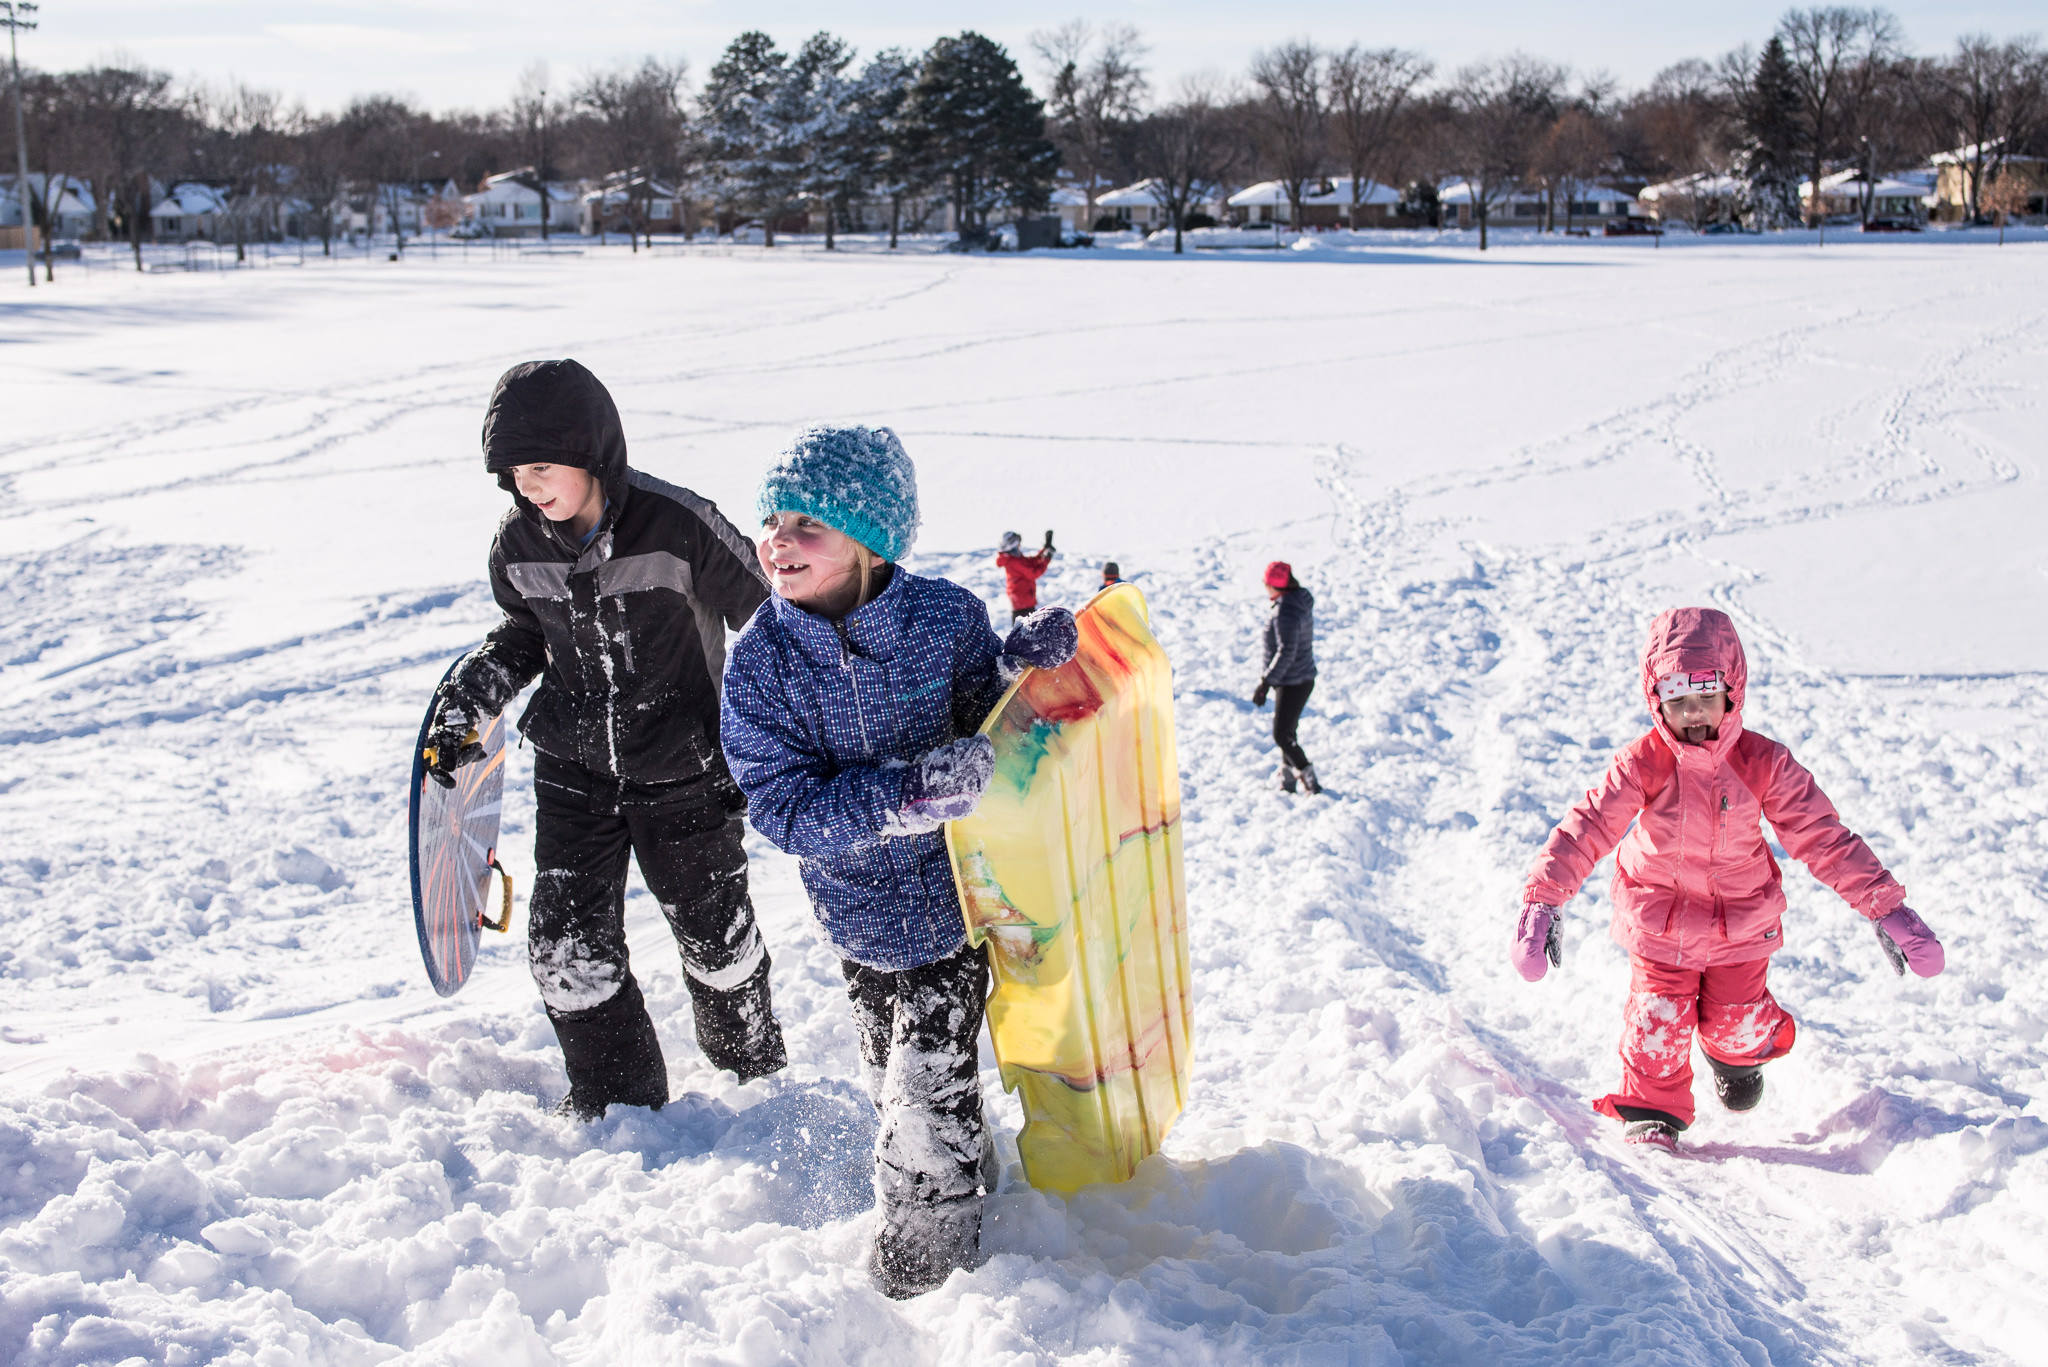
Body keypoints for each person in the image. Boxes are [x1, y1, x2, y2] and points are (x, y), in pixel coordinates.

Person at [720, 425, 1078, 1298]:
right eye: (773, 519)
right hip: (859, 916)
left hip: (960, 902)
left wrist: (1015, 673)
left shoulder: (945, 618)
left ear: (871, 540)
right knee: (902, 1082)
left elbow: (987, 726)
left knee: (921, 1098)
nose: (777, 541)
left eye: (808, 523)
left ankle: (927, 1277)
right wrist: (901, 796)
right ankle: (967, 1162)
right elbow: (783, 806)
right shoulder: (761, 664)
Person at [423, 359, 788, 1121]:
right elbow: (527, 630)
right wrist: (482, 685)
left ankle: (752, 1071)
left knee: (716, 942)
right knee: (564, 950)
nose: (528, 486)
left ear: (592, 451)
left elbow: (774, 620)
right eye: (515, 472)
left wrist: (788, 723)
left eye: (542, 467)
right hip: (574, 768)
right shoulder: (517, 543)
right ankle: (617, 1101)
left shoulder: (678, 522)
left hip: (684, 768)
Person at [1513, 607, 1945, 1149]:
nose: (1692, 714)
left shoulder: (1763, 762)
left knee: (1734, 1024)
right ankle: (1653, 1110)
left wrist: (1886, 907)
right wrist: (1544, 900)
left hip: (1741, 926)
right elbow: (1587, 827)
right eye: (1677, 701)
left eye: (1705, 697)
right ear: (1657, 701)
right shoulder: (1641, 764)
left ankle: (1736, 1057)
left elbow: (1822, 836)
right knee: (1658, 1019)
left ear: (1731, 693)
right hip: (1659, 922)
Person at [1252, 561, 1319, 794]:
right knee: (1288, 731)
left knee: (1281, 734)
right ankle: (1288, 779)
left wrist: (1266, 681)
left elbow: (1286, 652)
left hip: (1292, 681)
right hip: (1301, 677)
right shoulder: (1298, 601)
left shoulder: (1285, 613)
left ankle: (1307, 775)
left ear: (1273, 586)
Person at [996, 529, 1056, 621]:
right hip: (1022, 603)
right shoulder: (1014, 562)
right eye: (1018, 544)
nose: (1020, 546)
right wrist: (1047, 558)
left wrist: (1044, 549)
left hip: (1023, 601)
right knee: (1028, 632)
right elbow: (1033, 573)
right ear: (1013, 545)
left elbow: (1030, 562)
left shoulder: (1014, 558)